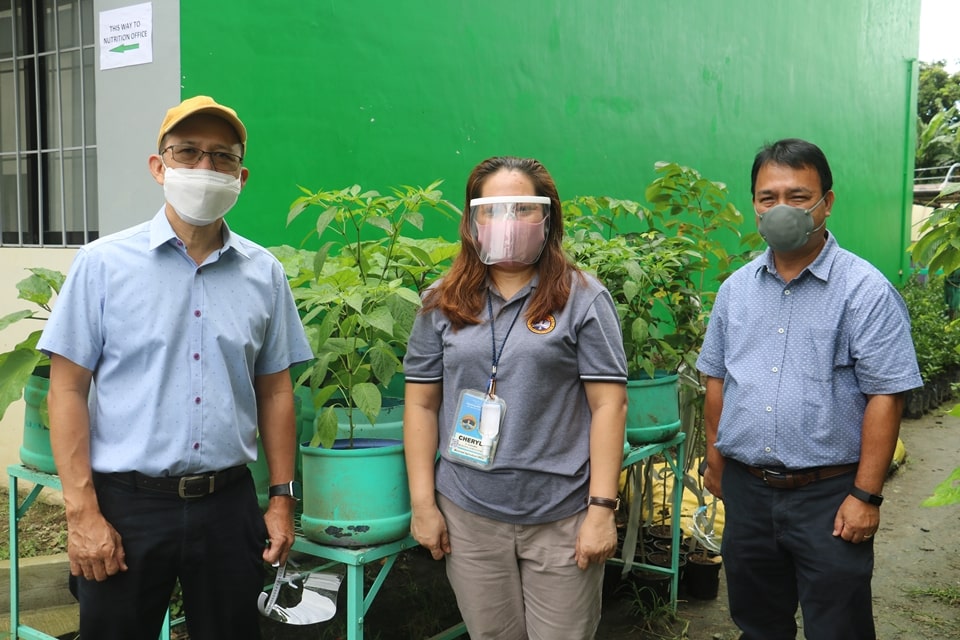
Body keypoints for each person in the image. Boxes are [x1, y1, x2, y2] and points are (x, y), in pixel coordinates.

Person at [38, 95, 313, 640]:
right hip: (125, 506)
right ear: (158, 166)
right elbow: (67, 391)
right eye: (188, 152)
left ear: (242, 174)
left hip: (228, 504)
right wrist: (81, 513)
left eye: (222, 157)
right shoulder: (102, 266)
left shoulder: (264, 273)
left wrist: (282, 500)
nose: (205, 169)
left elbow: (277, 392)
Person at [696, 138, 922, 640]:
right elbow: (717, 378)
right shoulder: (735, 290)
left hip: (829, 495)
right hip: (749, 492)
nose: (780, 209)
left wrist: (866, 494)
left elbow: (887, 395)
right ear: (753, 203)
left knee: (837, 627)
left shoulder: (864, 290)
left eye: (797, 197)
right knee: (757, 624)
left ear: (827, 203)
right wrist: (716, 462)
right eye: (767, 197)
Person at [402, 156, 628, 640]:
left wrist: (601, 510)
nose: (507, 221)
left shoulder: (583, 298)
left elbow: (609, 405)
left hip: (562, 514)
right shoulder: (440, 302)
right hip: (469, 511)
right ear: (471, 220)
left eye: (523, 209)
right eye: (492, 209)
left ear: (548, 218)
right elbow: (420, 405)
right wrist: (424, 504)